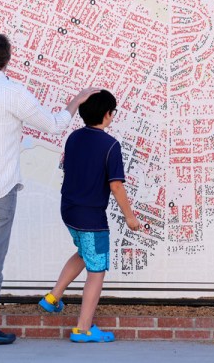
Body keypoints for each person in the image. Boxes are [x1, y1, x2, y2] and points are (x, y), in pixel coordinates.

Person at [0, 33, 98, 346]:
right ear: (8, 57)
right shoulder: (13, 93)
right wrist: (77, 100)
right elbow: (53, 125)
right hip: (0, 189)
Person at [38, 89, 140, 343]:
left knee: (84, 252)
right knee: (97, 270)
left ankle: (53, 297)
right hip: (92, 218)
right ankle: (83, 329)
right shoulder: (110, 145)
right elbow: (116, 186)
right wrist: (130, 217)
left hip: (69, 211)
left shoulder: (73, 138)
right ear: (107, 114)